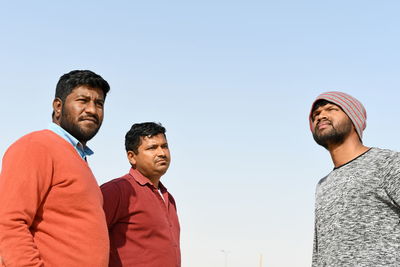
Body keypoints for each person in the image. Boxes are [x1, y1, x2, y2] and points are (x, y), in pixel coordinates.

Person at [0, 70, 110, 266]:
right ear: (58, 106)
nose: (92, 110)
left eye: (99, 103)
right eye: (83, 100)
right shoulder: (35, 146)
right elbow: (8, 223)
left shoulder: (78, 157)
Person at [309, 91, 400, 266]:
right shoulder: (322, 185)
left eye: (331, 109)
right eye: (316, 114)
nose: (321, 116)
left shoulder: (388, 163)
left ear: (353, 119)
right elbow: (320, 252)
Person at [101, 122, 180, 267]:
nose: (162, 153)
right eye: (152, 148)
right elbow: (84, 238)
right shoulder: (116, 191)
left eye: (164, 146)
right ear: (132, 157)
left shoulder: (169, 199)